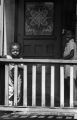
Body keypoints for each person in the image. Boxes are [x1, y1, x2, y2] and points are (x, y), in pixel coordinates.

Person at [63, 30, 77, 105]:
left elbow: (71, 54)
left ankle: (74, 100)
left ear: (72, 36)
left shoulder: (71, 42)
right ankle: (73, 100)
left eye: (69, 34)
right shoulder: (68, 43)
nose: (67, 35)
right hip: (69, 66)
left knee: (71, 82)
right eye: (66, 34)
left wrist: (63, 59)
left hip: (71, 66)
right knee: (70, 82)